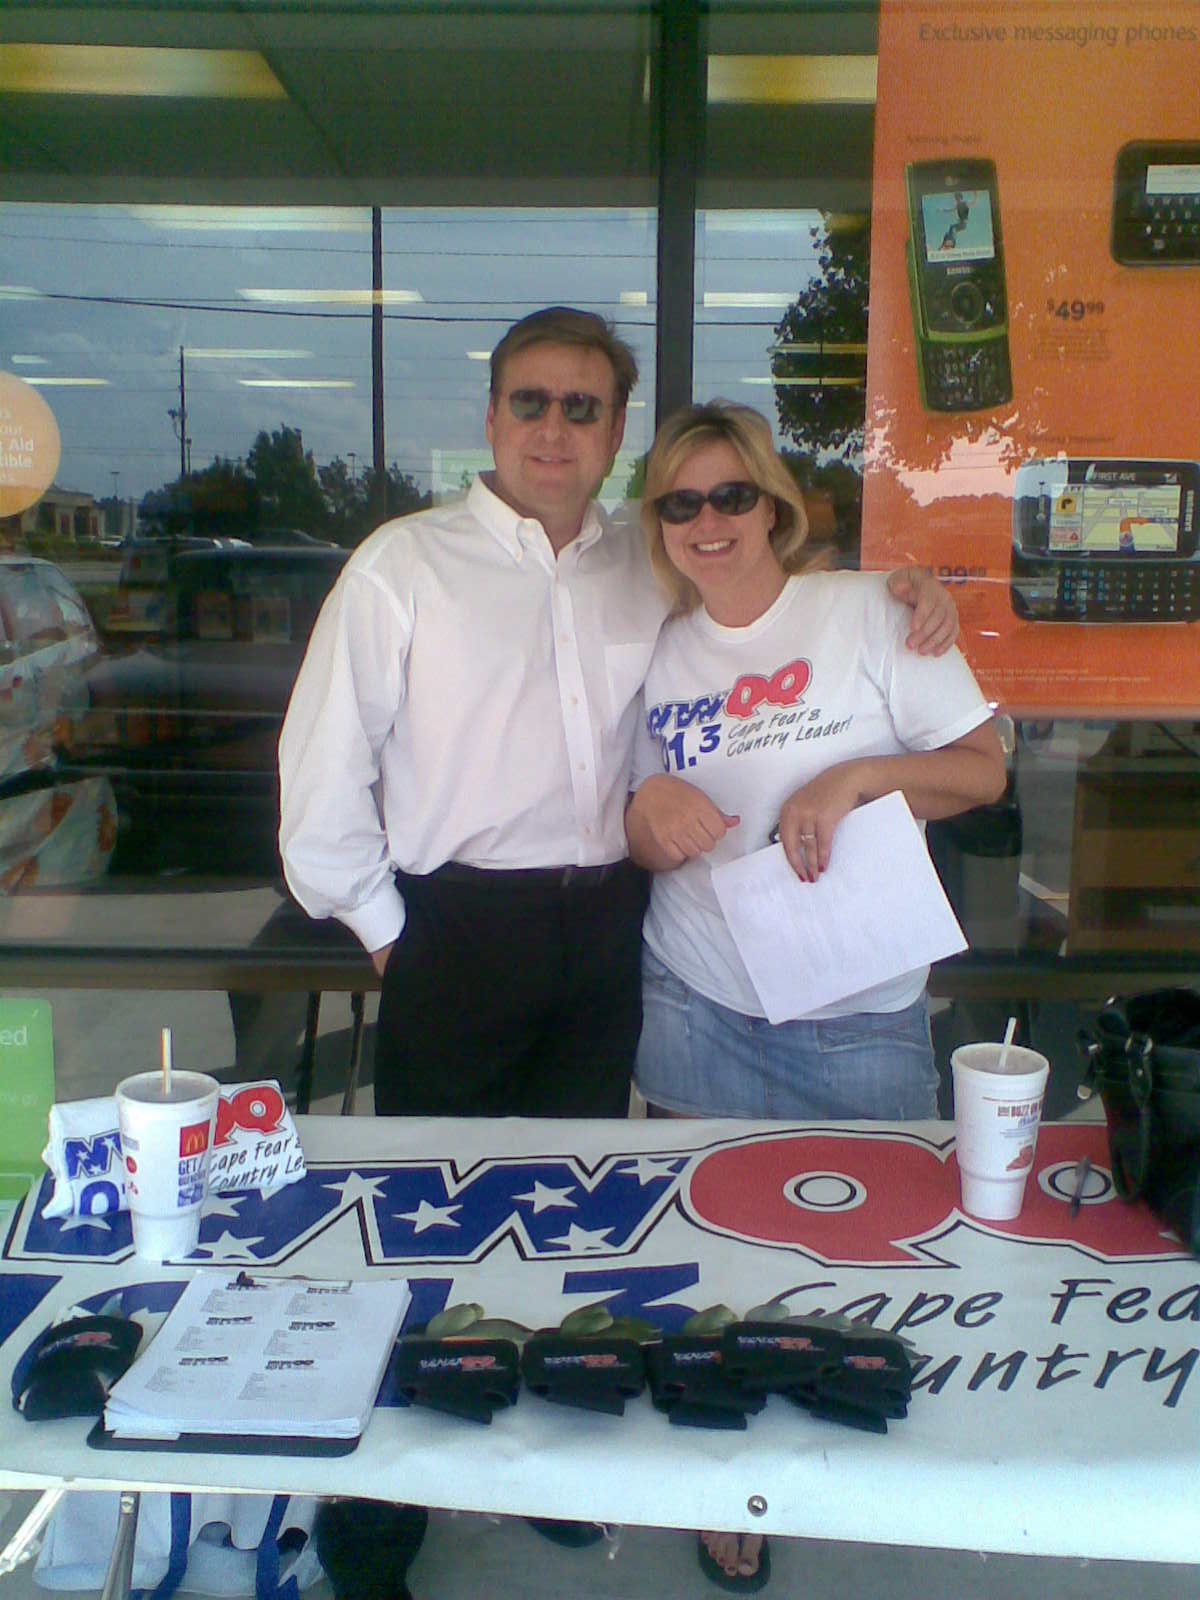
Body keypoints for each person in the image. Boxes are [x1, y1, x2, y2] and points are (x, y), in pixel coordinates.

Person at [278, 308, 959, 1123]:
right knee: (441, 1200)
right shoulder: (403, 565)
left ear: (615, 431)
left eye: (582, 407)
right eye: (530, 403)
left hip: (610, 935)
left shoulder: (651, 564)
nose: (554, 429)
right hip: (459, 932)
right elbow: (324, 771)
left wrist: (908, 592)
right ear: (492, 418)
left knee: (590, 1199)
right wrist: (393, 939)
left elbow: (758, 606)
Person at [623, 400, 1006, 1592]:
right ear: (659, 525)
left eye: (731, 494)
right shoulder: (653, 643)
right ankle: (725, 1475)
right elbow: (634, 818)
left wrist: (857, 775)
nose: (708, 520)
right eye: (680, 502)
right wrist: (646, 820)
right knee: (709, 1253)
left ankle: (825, 1445)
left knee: (856, 1253)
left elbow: (982, 770)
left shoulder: (870, 610)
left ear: (777, 505)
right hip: (697, 995)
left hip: (857, 1006)